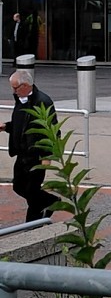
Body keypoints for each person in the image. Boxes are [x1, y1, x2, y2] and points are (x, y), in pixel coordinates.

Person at [0, 69, 59, 222]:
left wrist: (47, 156)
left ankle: (32, 225)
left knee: (32, 190)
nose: (13, 91)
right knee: (18, 186)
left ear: (26, 85)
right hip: (21, 153)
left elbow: (52, 131)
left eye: (16, 88)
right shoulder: (20, 100)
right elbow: (21, 125)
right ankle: (50, 201)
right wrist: (6, 127)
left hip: (36, 155)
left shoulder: (43, 101)